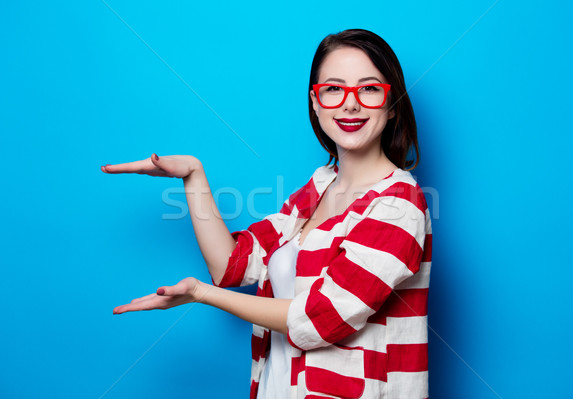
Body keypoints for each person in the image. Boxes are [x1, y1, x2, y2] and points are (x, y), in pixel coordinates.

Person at [103, 29, 433, 399]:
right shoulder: (320, 187)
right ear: (315, 102)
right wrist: (193, 176)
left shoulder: (398, 205)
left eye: (369, 89)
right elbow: (232, 265)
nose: (350, 104)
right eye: (334, 89)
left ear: (392, 104)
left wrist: (201, 294)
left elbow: (320, 318)